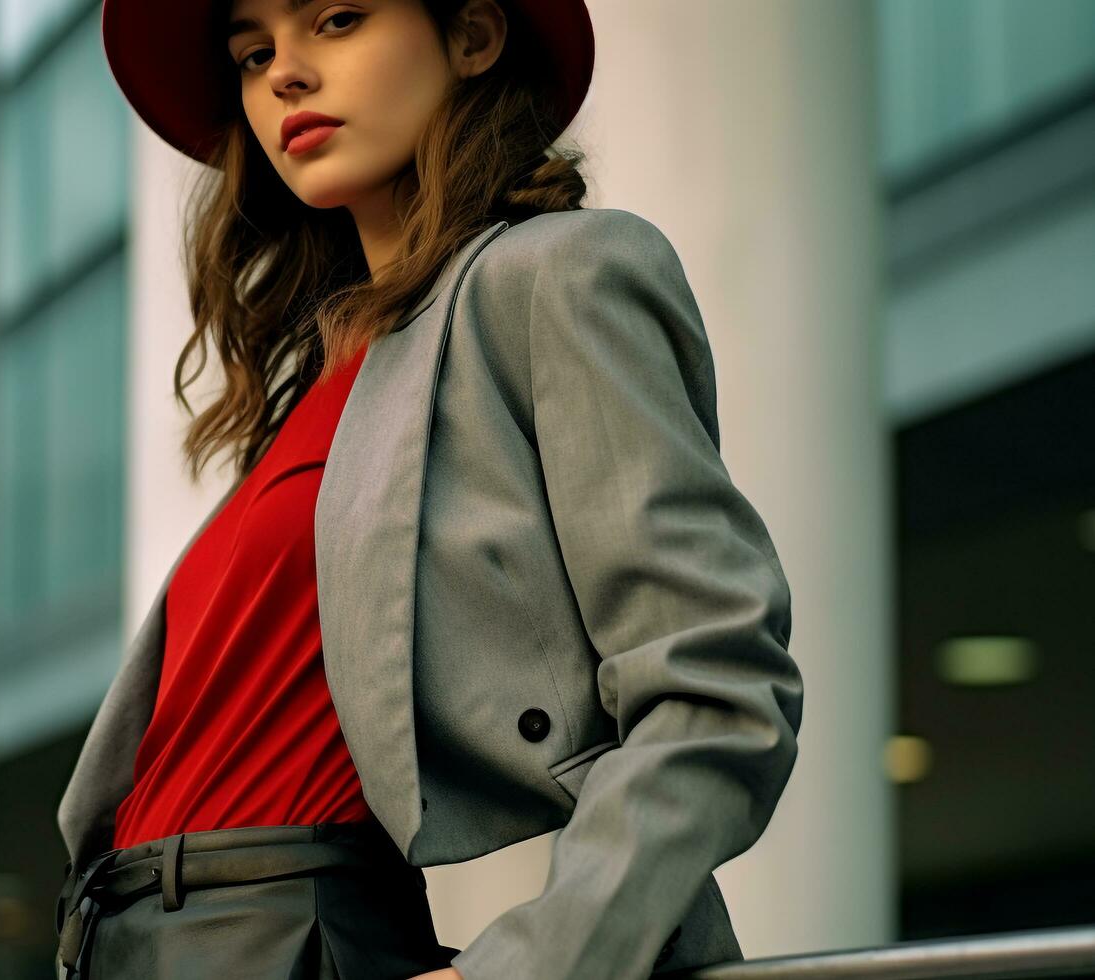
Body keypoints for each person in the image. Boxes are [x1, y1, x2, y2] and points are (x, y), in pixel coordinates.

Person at [55, 0, 805, 977]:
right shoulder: (324, 384)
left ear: (472, 36)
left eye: (335, 17)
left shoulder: (555, 276)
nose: (282, 73)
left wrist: (532, 963)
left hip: (299, 936)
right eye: (250, 51)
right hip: (122, 937)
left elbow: (717, 689)